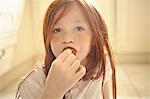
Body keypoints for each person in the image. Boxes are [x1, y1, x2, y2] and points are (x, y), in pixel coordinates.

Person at [15, 0, 116, 99]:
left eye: (79, 28)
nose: (67, 39)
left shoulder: (101, 63)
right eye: (57, 30)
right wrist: (53, 91)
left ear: (94, 37)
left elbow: (104, 89)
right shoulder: (33, 83)